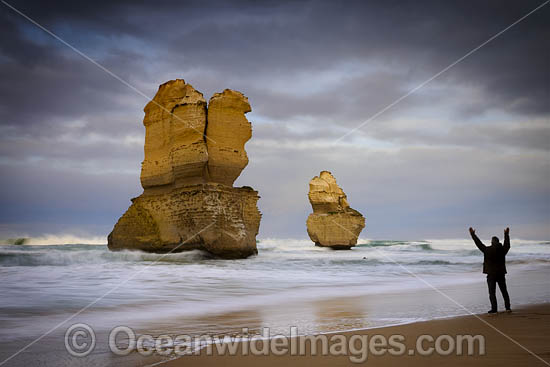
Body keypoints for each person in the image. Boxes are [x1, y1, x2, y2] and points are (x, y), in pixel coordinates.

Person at [469, 227, 511, 314]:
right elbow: (507, 245)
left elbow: (479, 244)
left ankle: (494, 309)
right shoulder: (502, 250)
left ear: (492, 242)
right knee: (504, 291)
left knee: (492, 293)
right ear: (498, 242)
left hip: (491, 274)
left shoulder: (487, 250)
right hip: (501, 273)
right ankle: (508, 308)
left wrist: (473, 235)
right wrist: (506, 234)